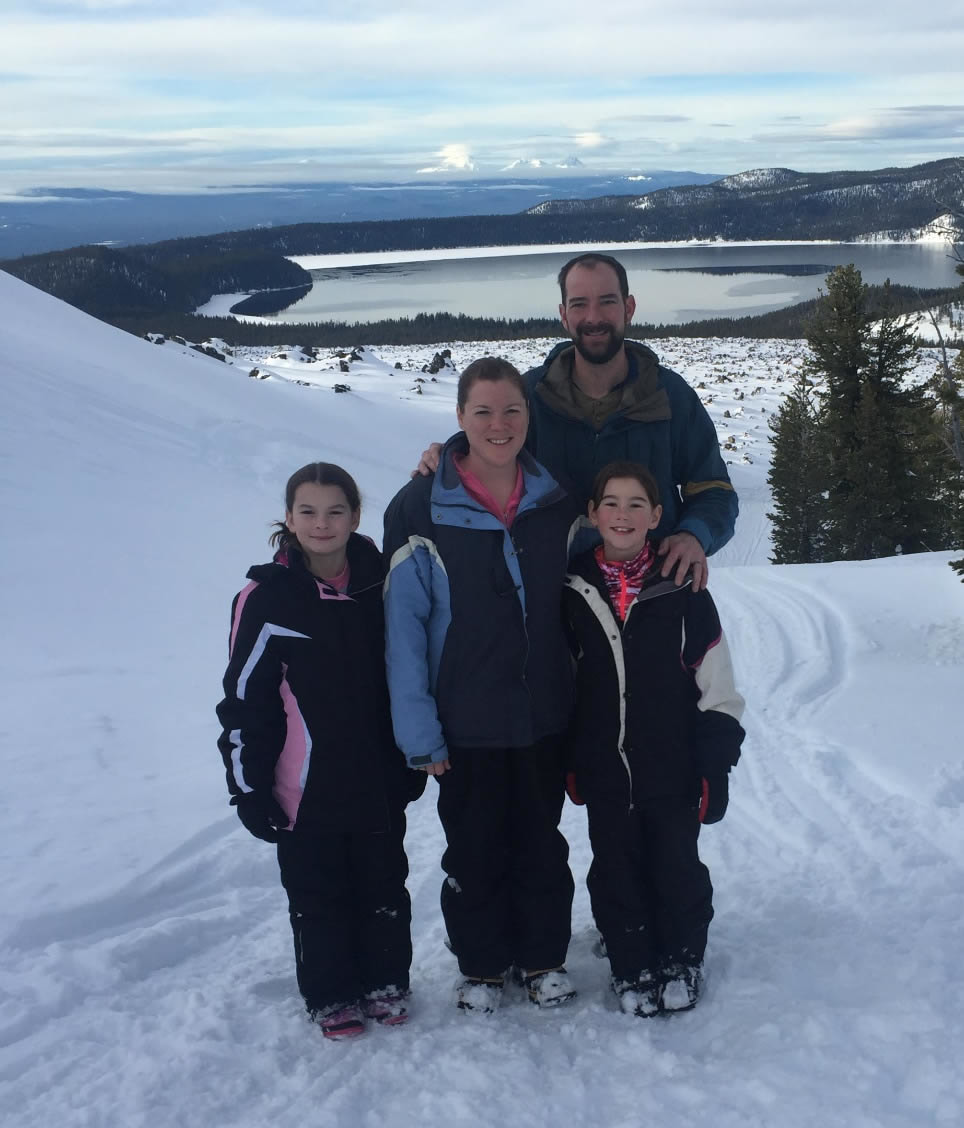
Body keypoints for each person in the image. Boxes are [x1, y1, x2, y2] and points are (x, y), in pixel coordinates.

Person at [383, 357, 581, 1015]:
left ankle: (545, 958)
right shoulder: (420, 506)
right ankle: (482, 965)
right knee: (472, 850)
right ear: (460, 418)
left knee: (540, 844)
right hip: (463, 719)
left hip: (542, 712)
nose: (499, 425)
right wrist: (418, 730)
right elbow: (404, 628)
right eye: (484, 411)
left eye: (512, 410)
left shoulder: (557, 501)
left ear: (529, 416)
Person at [216, 462, 424, 1041]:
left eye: (336, 510)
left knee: (383, 886)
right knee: (318, 895)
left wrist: (415, 752)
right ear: (288, 518)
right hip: (302, 787)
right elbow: (242, 701)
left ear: (356, 516)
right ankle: (330, 993)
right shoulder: (266, 598)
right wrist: (248, 789)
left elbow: (413, 670)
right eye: (307, 511)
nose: (322, 523)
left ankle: (385, 981)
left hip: (379, 777)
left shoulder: (384, 582)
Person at [415, 252, 738, 591]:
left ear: (629, 308)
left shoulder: (670, 397)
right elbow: (488, 447)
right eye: (580, 304)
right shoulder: (530, 397)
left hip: (649, 597)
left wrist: (694, 535)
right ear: (564, 316)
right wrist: (449, 455)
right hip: (550, 601)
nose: (593, 317)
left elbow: (714, 490)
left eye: (607, 302)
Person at [562, 460, 745, 1018]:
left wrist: (714, 765)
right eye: (611, 503)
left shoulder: (682, 588)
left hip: (672, 764)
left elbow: (718, 687)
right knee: (615, 866)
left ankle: (681, 957)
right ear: (592, 514)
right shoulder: (570, 589)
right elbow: (563, 682)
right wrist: (569, 756)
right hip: (605, 766)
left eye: (636, 503)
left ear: (657, 515)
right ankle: (630, 962)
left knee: (676, 864)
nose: (623, 515)